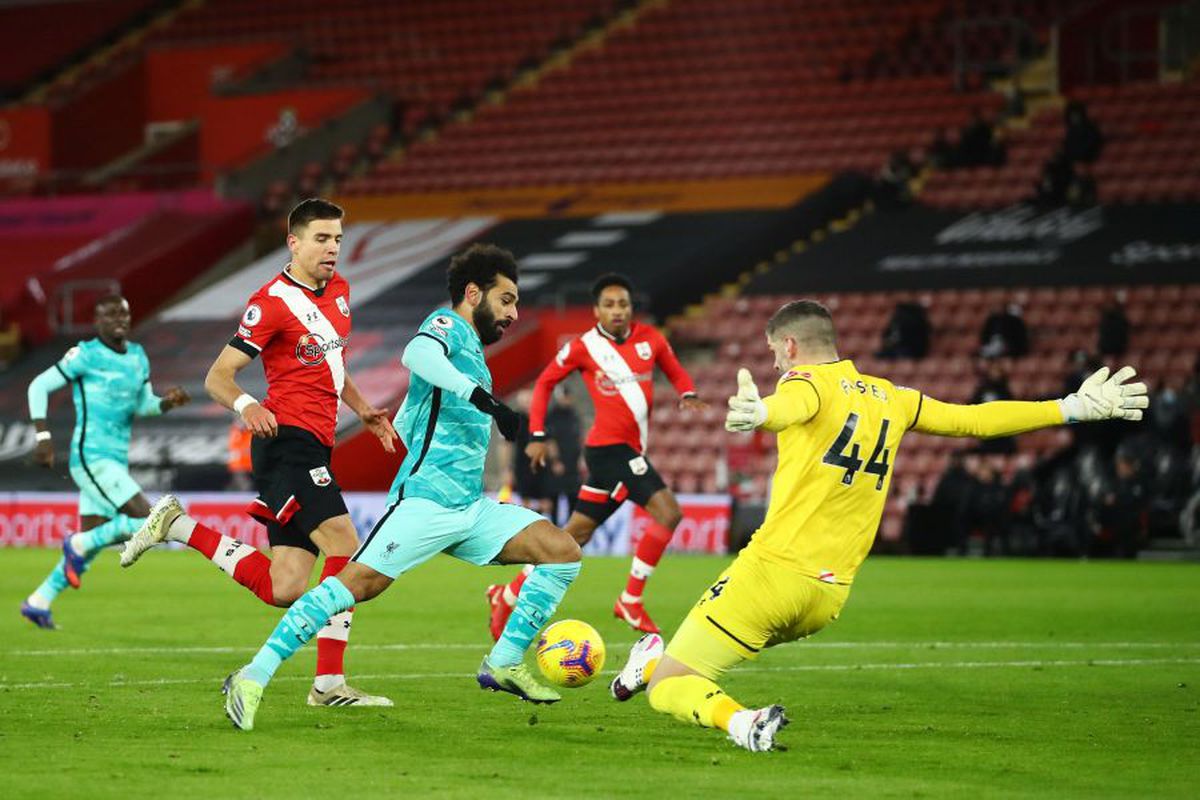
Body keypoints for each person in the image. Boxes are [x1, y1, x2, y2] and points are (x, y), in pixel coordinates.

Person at [608, 300, 1148, 752]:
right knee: (700, 652)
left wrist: (762, 414)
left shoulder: (804, 383)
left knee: (670, 688)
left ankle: (742, 722)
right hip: (828, 596)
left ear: (790, 346)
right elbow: (973, 420)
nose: (774, 361)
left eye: (774, 351)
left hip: (771, 575)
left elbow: (792, 404)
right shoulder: (892, 397)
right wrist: (1068, 408)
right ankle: (650, 660)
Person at [216, 243, 584, 730]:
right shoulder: (447, 325)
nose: (514, 313)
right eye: (507, 300)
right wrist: (484, 399)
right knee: (355, 586)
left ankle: (503, 662)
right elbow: (417, 353)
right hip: (425, 503)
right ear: (473, 294)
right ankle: (253, 675)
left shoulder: (474, 350)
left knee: (562, 551)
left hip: (470, 508)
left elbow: (420, 409)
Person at [121, 199, 397, 708]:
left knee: (284, 587)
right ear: (294, 243)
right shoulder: (269, 302)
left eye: (338, 239)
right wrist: (247, 405)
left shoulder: (339, 291)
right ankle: (328, 684)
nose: (333, 248)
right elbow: (217, 377)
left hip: (316, 444)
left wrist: (362, 409)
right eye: (321, 239)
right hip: (285, 444)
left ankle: (178, 526)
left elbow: (334, 366)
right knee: (346, 545)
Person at [486, 273, 703, 640]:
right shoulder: (584, 346)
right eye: (609, 304)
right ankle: (631, 600)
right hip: (609, 450)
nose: (617, 310)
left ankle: (506, 595)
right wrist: (536, 434)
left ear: (631, 308)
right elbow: (545, 383)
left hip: (628, 450)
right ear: (597, 310)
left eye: (623, 304)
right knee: (668, 512)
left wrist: (688, 392)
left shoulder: (651, 339)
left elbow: (674, 369)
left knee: (572, 539)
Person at [19, 295, 190, 629]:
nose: (118, 319)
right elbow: (38, 385)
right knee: (150, 519)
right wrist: (43, 437)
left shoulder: (138, 357)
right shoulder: (85, 354)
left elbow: (143, 405)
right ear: (97, 322)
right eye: (110, 314)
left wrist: (166, 403)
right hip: (91, 456)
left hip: (115, 459)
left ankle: (39, 601)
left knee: (94, 540)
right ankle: (78, 543)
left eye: (123, 313)